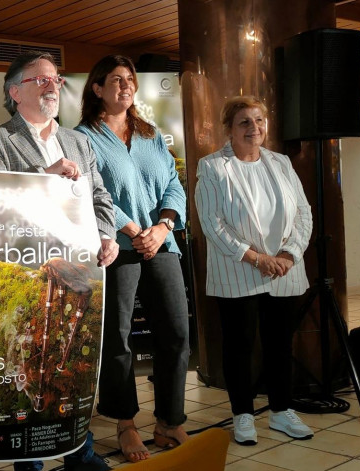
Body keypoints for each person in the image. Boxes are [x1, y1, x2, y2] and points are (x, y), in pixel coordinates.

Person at [0, 51, 118, 471]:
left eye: (55, 78)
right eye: (40, 80)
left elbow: (100, 198)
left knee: (72, 366)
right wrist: (45, 177)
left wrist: (106, 236)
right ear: (14, 92)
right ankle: (28, 462)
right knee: (29, 368)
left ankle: (79, 452)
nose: (52, 84)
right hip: (28, 279)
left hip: (79, 277)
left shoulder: (79, 141)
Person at [75, 55, 191, 463]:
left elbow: (173, 182)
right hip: (116, 250)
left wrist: (163, 226)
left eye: (130, 80)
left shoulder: (150, 133)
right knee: (117, 338)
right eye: (116, 80)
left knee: (175, 332)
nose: (125, 86)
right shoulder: (82, 137)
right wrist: (131, 230)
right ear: (97, 88)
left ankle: (170, 419)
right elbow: (89, 191)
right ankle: (125, 423)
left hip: (161, 244)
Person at [194, 96, 314, 445]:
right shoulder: (213, 166)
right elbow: (212, 224)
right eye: (244, 122)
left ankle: (281, 411)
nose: (254, 128)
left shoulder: (280, 163)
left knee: (279, 344)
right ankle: (243, 415)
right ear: (229, 129)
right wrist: (257, 258)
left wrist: (289, 254)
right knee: (239, 346)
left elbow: (303, 213)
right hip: (239, 270)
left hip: (284, 269)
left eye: (259, 121)